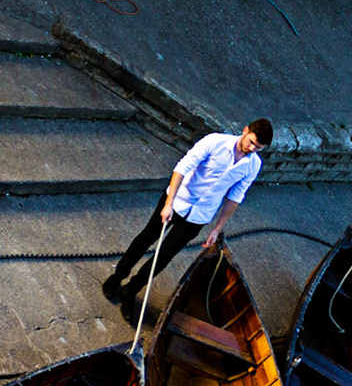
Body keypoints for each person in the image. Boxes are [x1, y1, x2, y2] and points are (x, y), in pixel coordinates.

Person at [104, 119, 273, 312]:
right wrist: (169, 203)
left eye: (258, 148)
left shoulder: (253, 165)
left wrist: (217, 229)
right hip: (177, 200)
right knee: (147, 238)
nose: (252, 149)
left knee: (164, 256)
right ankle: (118, 276)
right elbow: (183, 167)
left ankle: (131, 290)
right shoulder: (215, 141)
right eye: (251, 142)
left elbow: (235, 197)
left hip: (199, 215)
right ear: (245, 130)